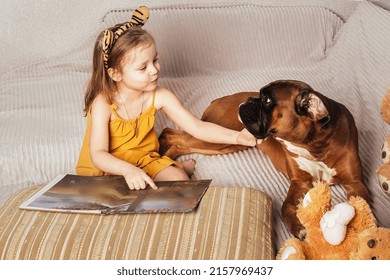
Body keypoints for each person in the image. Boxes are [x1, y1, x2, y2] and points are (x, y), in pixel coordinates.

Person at [76, 8, 257, 191]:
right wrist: (127, 170)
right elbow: (98, 154)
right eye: (142, 67)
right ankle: (171, 166)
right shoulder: (103, 103)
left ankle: (174, 168)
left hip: (144, 160)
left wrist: (238, 137)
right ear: (115, 74)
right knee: (119, 193)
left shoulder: (159, 96)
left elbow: (197, 127)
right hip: (110, 167)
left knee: (179, 182)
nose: (154, 70)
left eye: (155, 60)